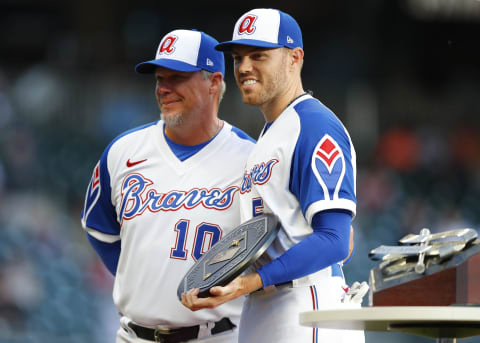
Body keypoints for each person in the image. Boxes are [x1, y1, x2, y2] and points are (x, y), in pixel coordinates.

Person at [181, 9, 365, 343]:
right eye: (238, 58)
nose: (243, 67)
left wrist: (249, 282)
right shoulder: (269, 136)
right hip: (268, 304)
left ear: (295, 58)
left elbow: (337, 239)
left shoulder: (314, 126)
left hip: (308, 305)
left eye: (258, 56)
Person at [80, 29, 256, 343]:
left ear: (214, 82)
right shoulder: (123, 152)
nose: (164, 88)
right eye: (160, 78)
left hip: (217, 336)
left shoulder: (253, 159)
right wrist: (143, 277)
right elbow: (101, 230)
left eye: (177, 77)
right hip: (134, 336)